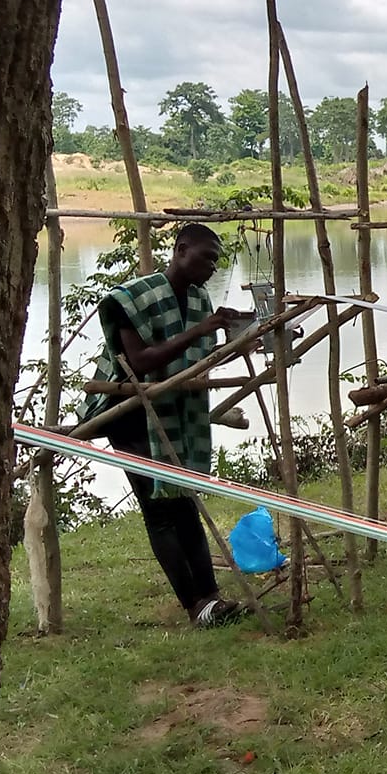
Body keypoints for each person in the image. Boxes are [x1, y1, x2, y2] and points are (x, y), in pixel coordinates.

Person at [83, 222, 252, 628]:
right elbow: (140, 362)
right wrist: (203, 328)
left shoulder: (197, 299)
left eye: (216, 260)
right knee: (160, 510)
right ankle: (194, 607)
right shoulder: (132, 298)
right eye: (205, 257)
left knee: (186, 503)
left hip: (174, 410)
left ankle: (211, 601)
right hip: (129, 414)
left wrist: (240, 342)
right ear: (180, 250)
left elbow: (196, 360)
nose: (212, 267)